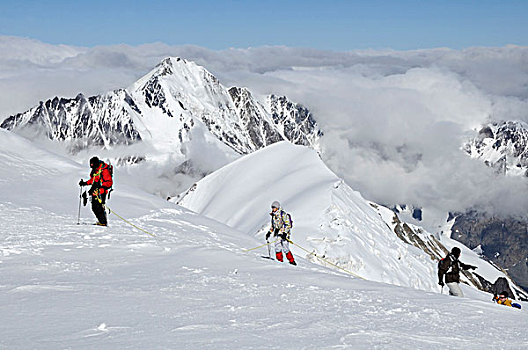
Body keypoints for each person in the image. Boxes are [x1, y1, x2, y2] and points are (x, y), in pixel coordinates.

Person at [79, 156, 113, 226]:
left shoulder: (104, 170)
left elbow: (109, 182)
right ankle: (102, 221)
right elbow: (93, 180)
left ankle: (103, 222)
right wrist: (85, 183)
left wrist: (101, 189)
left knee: (98, 207)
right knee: (94, 207)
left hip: (101, 192)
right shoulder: (96, 170)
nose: (92, 168)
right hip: (95, 191)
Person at [266, 201, 296, 265]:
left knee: (285, 248)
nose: (273, 209)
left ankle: (292, 261)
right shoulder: (273, 216)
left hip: (284, 234)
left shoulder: (283, 214)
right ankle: (280, 261)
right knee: (277, 247)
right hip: (277, 233)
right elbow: (273, 226)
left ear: (277, 207)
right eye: (272, 207)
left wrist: (285, 233)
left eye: (274, 207)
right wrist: (269, 232)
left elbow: (288, 225)